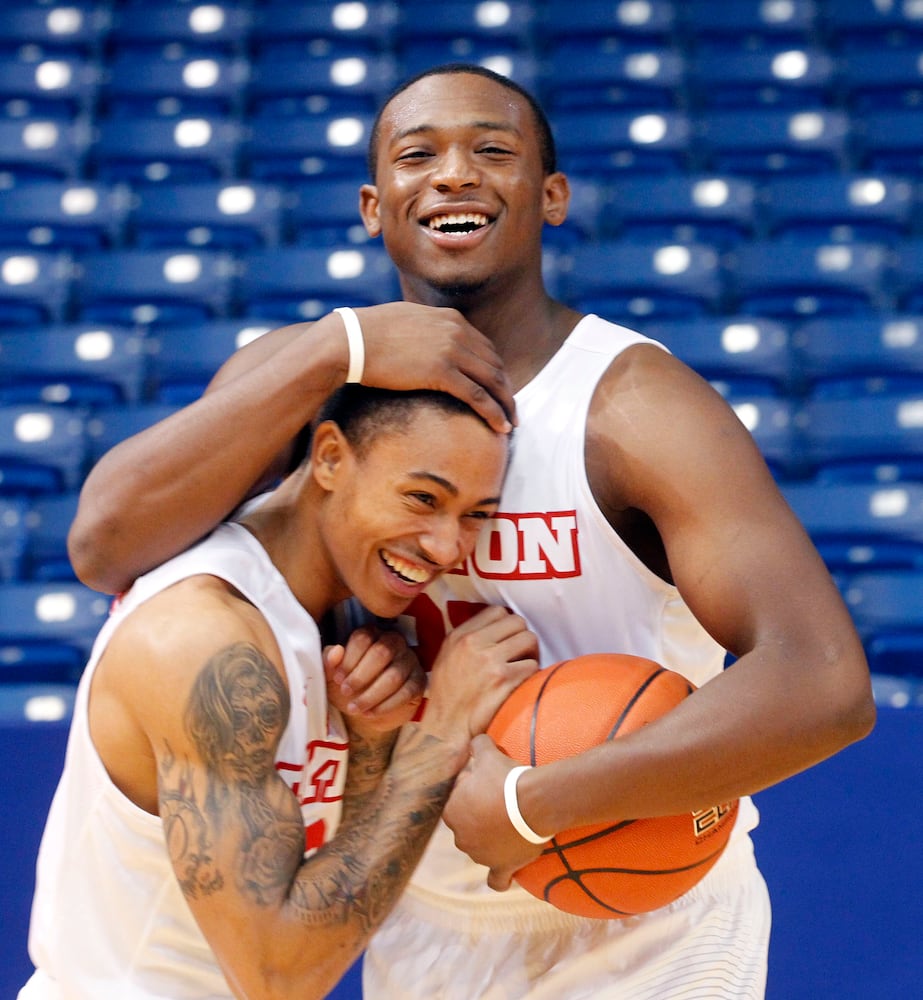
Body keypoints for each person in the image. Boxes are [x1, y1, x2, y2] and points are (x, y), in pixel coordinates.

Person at [66, 64, 876, 999]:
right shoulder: (309, 379)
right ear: (374, 206)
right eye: (419, 156)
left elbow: (821, 680)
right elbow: (106, 547)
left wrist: (540, 803)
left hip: (643, 916)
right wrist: (340, 347)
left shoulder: (632, 404)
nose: (453, 174)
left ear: (552, 195)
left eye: (493, 151)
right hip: (416, 909)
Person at [21, 383, 540, 999]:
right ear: (327, 457)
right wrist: (441, 733)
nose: (448, 547)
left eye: (476, 514)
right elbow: (278, 976)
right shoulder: (202, 638)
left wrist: (373, 740)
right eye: (422, 498)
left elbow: (323, 870)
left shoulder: (341, 620)